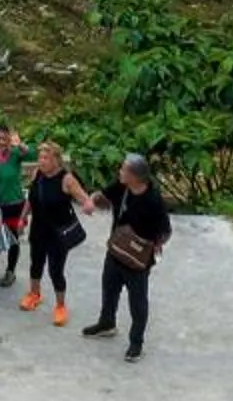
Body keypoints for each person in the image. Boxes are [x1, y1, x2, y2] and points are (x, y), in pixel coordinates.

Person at [84, 152, 173, 362]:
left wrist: (155, 247)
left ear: (135, 176)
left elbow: (166, 230)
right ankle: (107, 323)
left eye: (123, 169)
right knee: (109, 288)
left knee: (138, 302)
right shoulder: (122, 188)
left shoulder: (153, 200)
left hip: (138, 260)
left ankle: (136, 343)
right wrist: (92, 201)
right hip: (116, 251)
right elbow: (102, 196)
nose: (120, 172)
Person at [20, 141, 99, 324]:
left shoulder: (66, 179)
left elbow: (83, 197)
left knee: (56, 270)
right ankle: (34, 294)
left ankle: (61, 306)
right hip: (38, 229)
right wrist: (23, 218)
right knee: (35, 264)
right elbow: (31, 199)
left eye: (46, 158)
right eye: (40, 157)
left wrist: (88, 205)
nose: (42, 161)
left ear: (56, 160)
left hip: (58, 233)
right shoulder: (37, 174)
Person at [0, 125, 29, 286]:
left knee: (13, 238)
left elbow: (29, 153)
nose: (2, 141)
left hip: (14, 203)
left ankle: (11, 271)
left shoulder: (14, 154)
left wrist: (19, 144)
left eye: (5, 138)